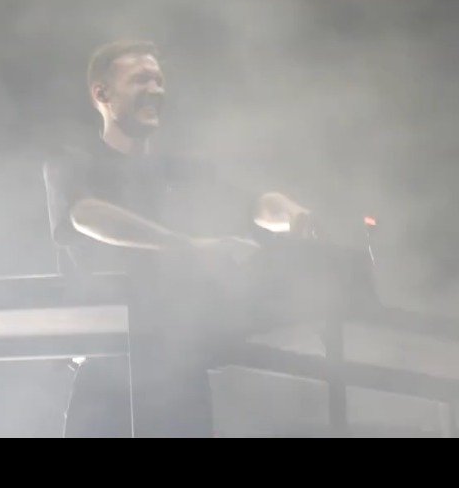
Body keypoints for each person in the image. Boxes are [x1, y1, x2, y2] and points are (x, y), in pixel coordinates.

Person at [43, 39, 319, 437]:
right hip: (107, 373)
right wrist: (188, 246)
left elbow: (253, 204)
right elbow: (86, 215)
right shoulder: (72, 162)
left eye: (159, 80)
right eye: (141, 80)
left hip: (181, 371)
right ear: (102, 94)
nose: (155, 89)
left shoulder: (180, 171)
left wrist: (292, 216)